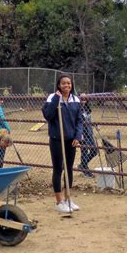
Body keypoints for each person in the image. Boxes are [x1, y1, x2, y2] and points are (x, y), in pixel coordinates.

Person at [42, 74, 83, 213]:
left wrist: (78, 135)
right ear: (59, 85)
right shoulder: (52, 98)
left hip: (71, 139)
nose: (67, 86)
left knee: (69, 168)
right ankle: (59, 202)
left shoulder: (76, 100)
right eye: (64, 83)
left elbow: (79, 120)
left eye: (69, 83)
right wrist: (56, 99)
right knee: (58, 169)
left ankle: (68, 199)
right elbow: (47, 115)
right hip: (56, 139)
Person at [77, 93, 98, 178]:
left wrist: (95, 125)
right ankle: (85, 170)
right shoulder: (77, 109)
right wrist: (79, 134)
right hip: (82, 134)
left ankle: (82, 165)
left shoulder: (87, 108)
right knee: (84, 152)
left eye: (85, 98)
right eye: (82, 98)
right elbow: (77, 123)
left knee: (94, 151)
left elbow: (89, 120)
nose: (83, 100)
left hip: (89, 133)